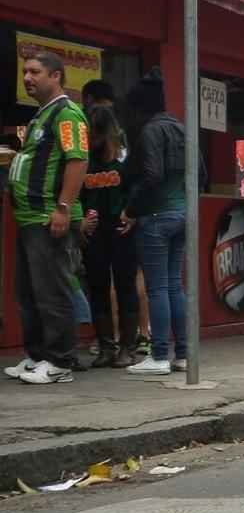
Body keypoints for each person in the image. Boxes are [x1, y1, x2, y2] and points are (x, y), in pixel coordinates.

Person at [4, 52, 89, 384]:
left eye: (35, 72)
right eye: (25, 71)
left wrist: (63, 208)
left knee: (52, 291)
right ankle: (37, 356)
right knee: (28, 292)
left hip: (47, 217)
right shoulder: (42, 116)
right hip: (28, 218)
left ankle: (61, 362)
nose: (27, 77)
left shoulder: (67, 115)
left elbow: (77, 161)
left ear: (56, 76)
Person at [120, 68, 197, 376]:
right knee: (175, 285)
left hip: (156, 216)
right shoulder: (182, 128)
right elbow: (200, 174)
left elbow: (152, 174)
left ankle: (159, 355)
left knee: (157, 288)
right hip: (183, 214)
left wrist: (132, 209)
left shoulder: (150, 131)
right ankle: (183, 355)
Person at [81, 104, 140, 369]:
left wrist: (133, 213)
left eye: (96, 134)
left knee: (126, 285)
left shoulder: (126, 156)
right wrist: (80, 218)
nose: (92, 140)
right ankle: (106, 345)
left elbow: (140, 186)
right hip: (94, 229)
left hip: (122, 227)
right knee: (97, 285)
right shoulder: (83, 156)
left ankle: (128, 346)